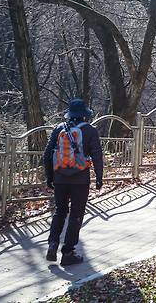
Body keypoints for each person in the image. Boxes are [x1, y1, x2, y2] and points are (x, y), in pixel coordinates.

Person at [43, 99, 103, 266]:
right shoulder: (90, 131)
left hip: (60, 178)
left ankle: (53, 244)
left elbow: (47, 155)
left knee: (60, 211)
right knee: (76, 214)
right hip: (80, 180)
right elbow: (97, 155)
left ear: (69, 115)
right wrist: (99, 177)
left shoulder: (59, 129)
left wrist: (50, 178)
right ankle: (68, 252)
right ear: (85, 115)